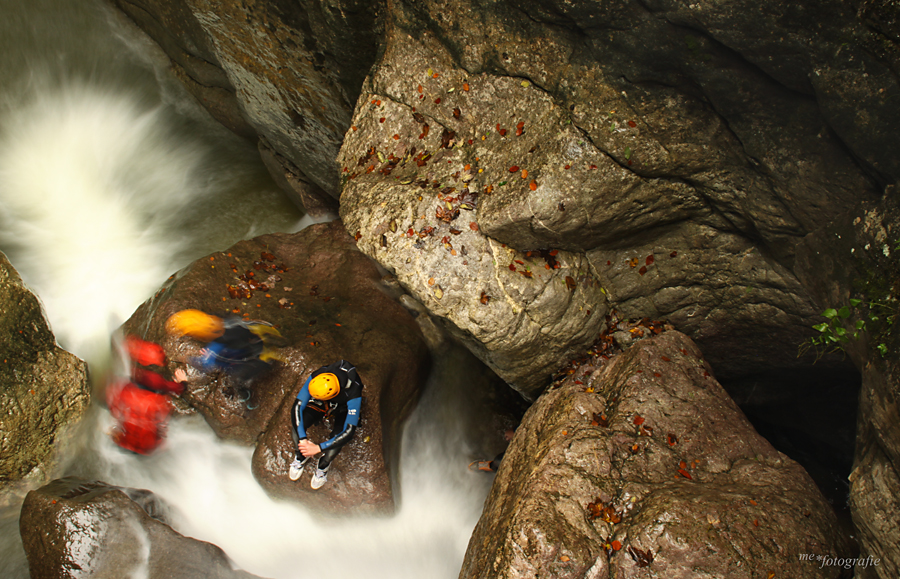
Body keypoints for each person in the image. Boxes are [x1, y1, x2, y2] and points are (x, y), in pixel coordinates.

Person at [165, 309, 284, 406]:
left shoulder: (215, 350)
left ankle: (246, 395)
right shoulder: (229, 323)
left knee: (238, 380)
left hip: (244, 364)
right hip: (254, 348)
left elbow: (205, 366)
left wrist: (187, 360)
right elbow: (248, 331)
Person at [288, 360, 363, 489]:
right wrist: (302, 439)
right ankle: (301, 455)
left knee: (338, 435)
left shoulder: (353, 390)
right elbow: (297, 407)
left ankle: (323, 464)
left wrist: (319, 448)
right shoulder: (319, 376)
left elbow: (349, 430)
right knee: (298, 423)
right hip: (322, 401)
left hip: (343, 406)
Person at [107, 336, 186, 455]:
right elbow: (162, 427)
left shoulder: (124, 392)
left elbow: (114, 407)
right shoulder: (159, 402)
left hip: (122, 443)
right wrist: (183, 384)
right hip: (147, 448)